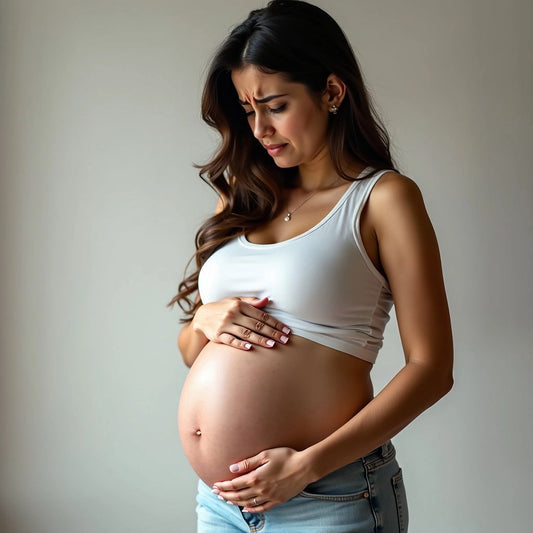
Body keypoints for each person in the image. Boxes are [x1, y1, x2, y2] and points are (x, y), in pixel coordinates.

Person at [168, 1, 453, 531]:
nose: (259, 129)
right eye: (247, 110)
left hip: (327, 496)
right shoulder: (241, 197)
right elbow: (193, 350)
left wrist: (305, 467)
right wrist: (203, 320)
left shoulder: (383, 199)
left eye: (275, 106)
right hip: (220, 502)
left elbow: (431, 371)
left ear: (331, 92)